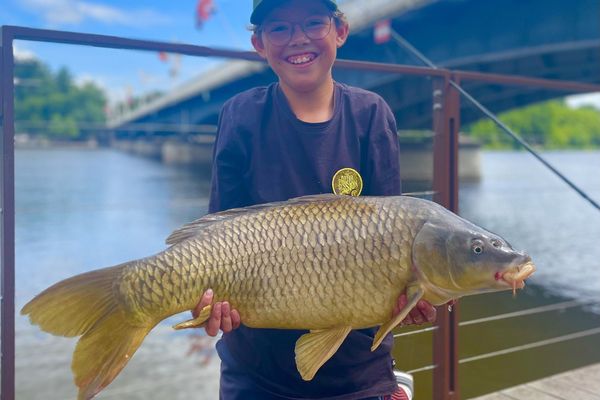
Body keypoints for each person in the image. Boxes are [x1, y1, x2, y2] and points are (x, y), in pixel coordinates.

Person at [192, 0, 437, 398]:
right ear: (259, 43)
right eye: (279, 29)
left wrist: (410, 299)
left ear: (340, 31)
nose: (299, 39)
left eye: (312, 23)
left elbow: (395, 235)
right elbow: (220, 232)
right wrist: (210, 303)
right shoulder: (240, 116)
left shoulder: (372, 114)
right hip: (256, 372)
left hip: (359, 374)